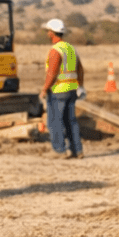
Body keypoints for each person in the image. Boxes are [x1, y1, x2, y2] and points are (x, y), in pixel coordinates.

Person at [39, 18, 85, 159]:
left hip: (58, 90)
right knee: (70, 120)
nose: (47, 33)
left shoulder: (55, 50)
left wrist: (44, 89)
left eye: (48, 31)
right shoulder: (70, 48)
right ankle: (77, 150)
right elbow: (81, 69)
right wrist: (81, 86)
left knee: (54, 121)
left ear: (52, 33)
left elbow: (52, 73)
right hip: (72, 90)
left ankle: (59, 150)